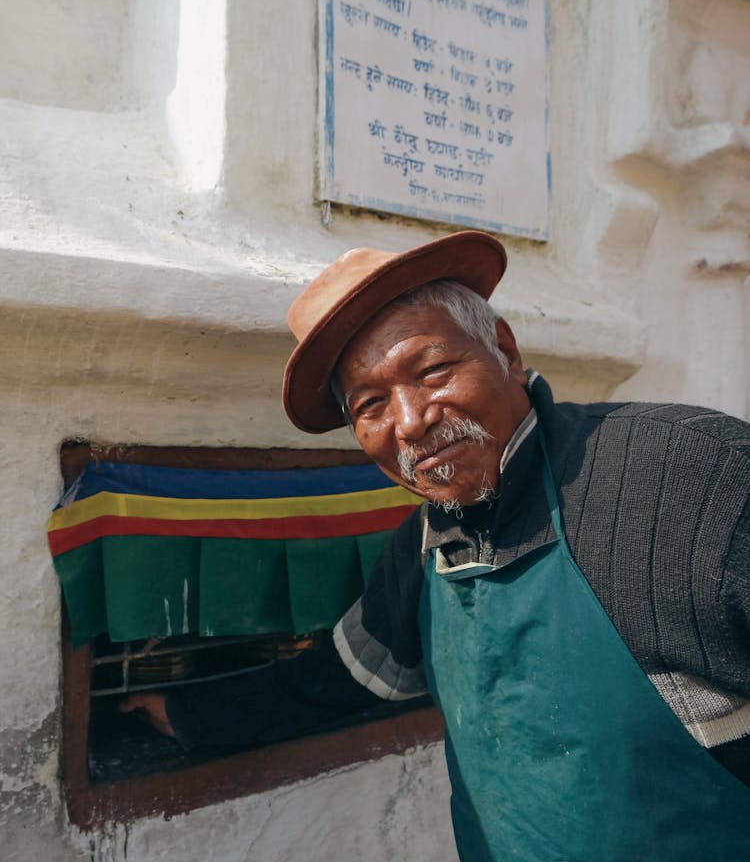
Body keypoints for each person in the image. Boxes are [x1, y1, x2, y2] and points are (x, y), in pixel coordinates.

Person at [123, 231, 750, 859]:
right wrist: (188, 714)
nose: (412, 420)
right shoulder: (423, 550)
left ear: (503, 350)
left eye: (433, 370)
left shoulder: (696, 472)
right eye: (371, 404)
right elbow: (339, 677)